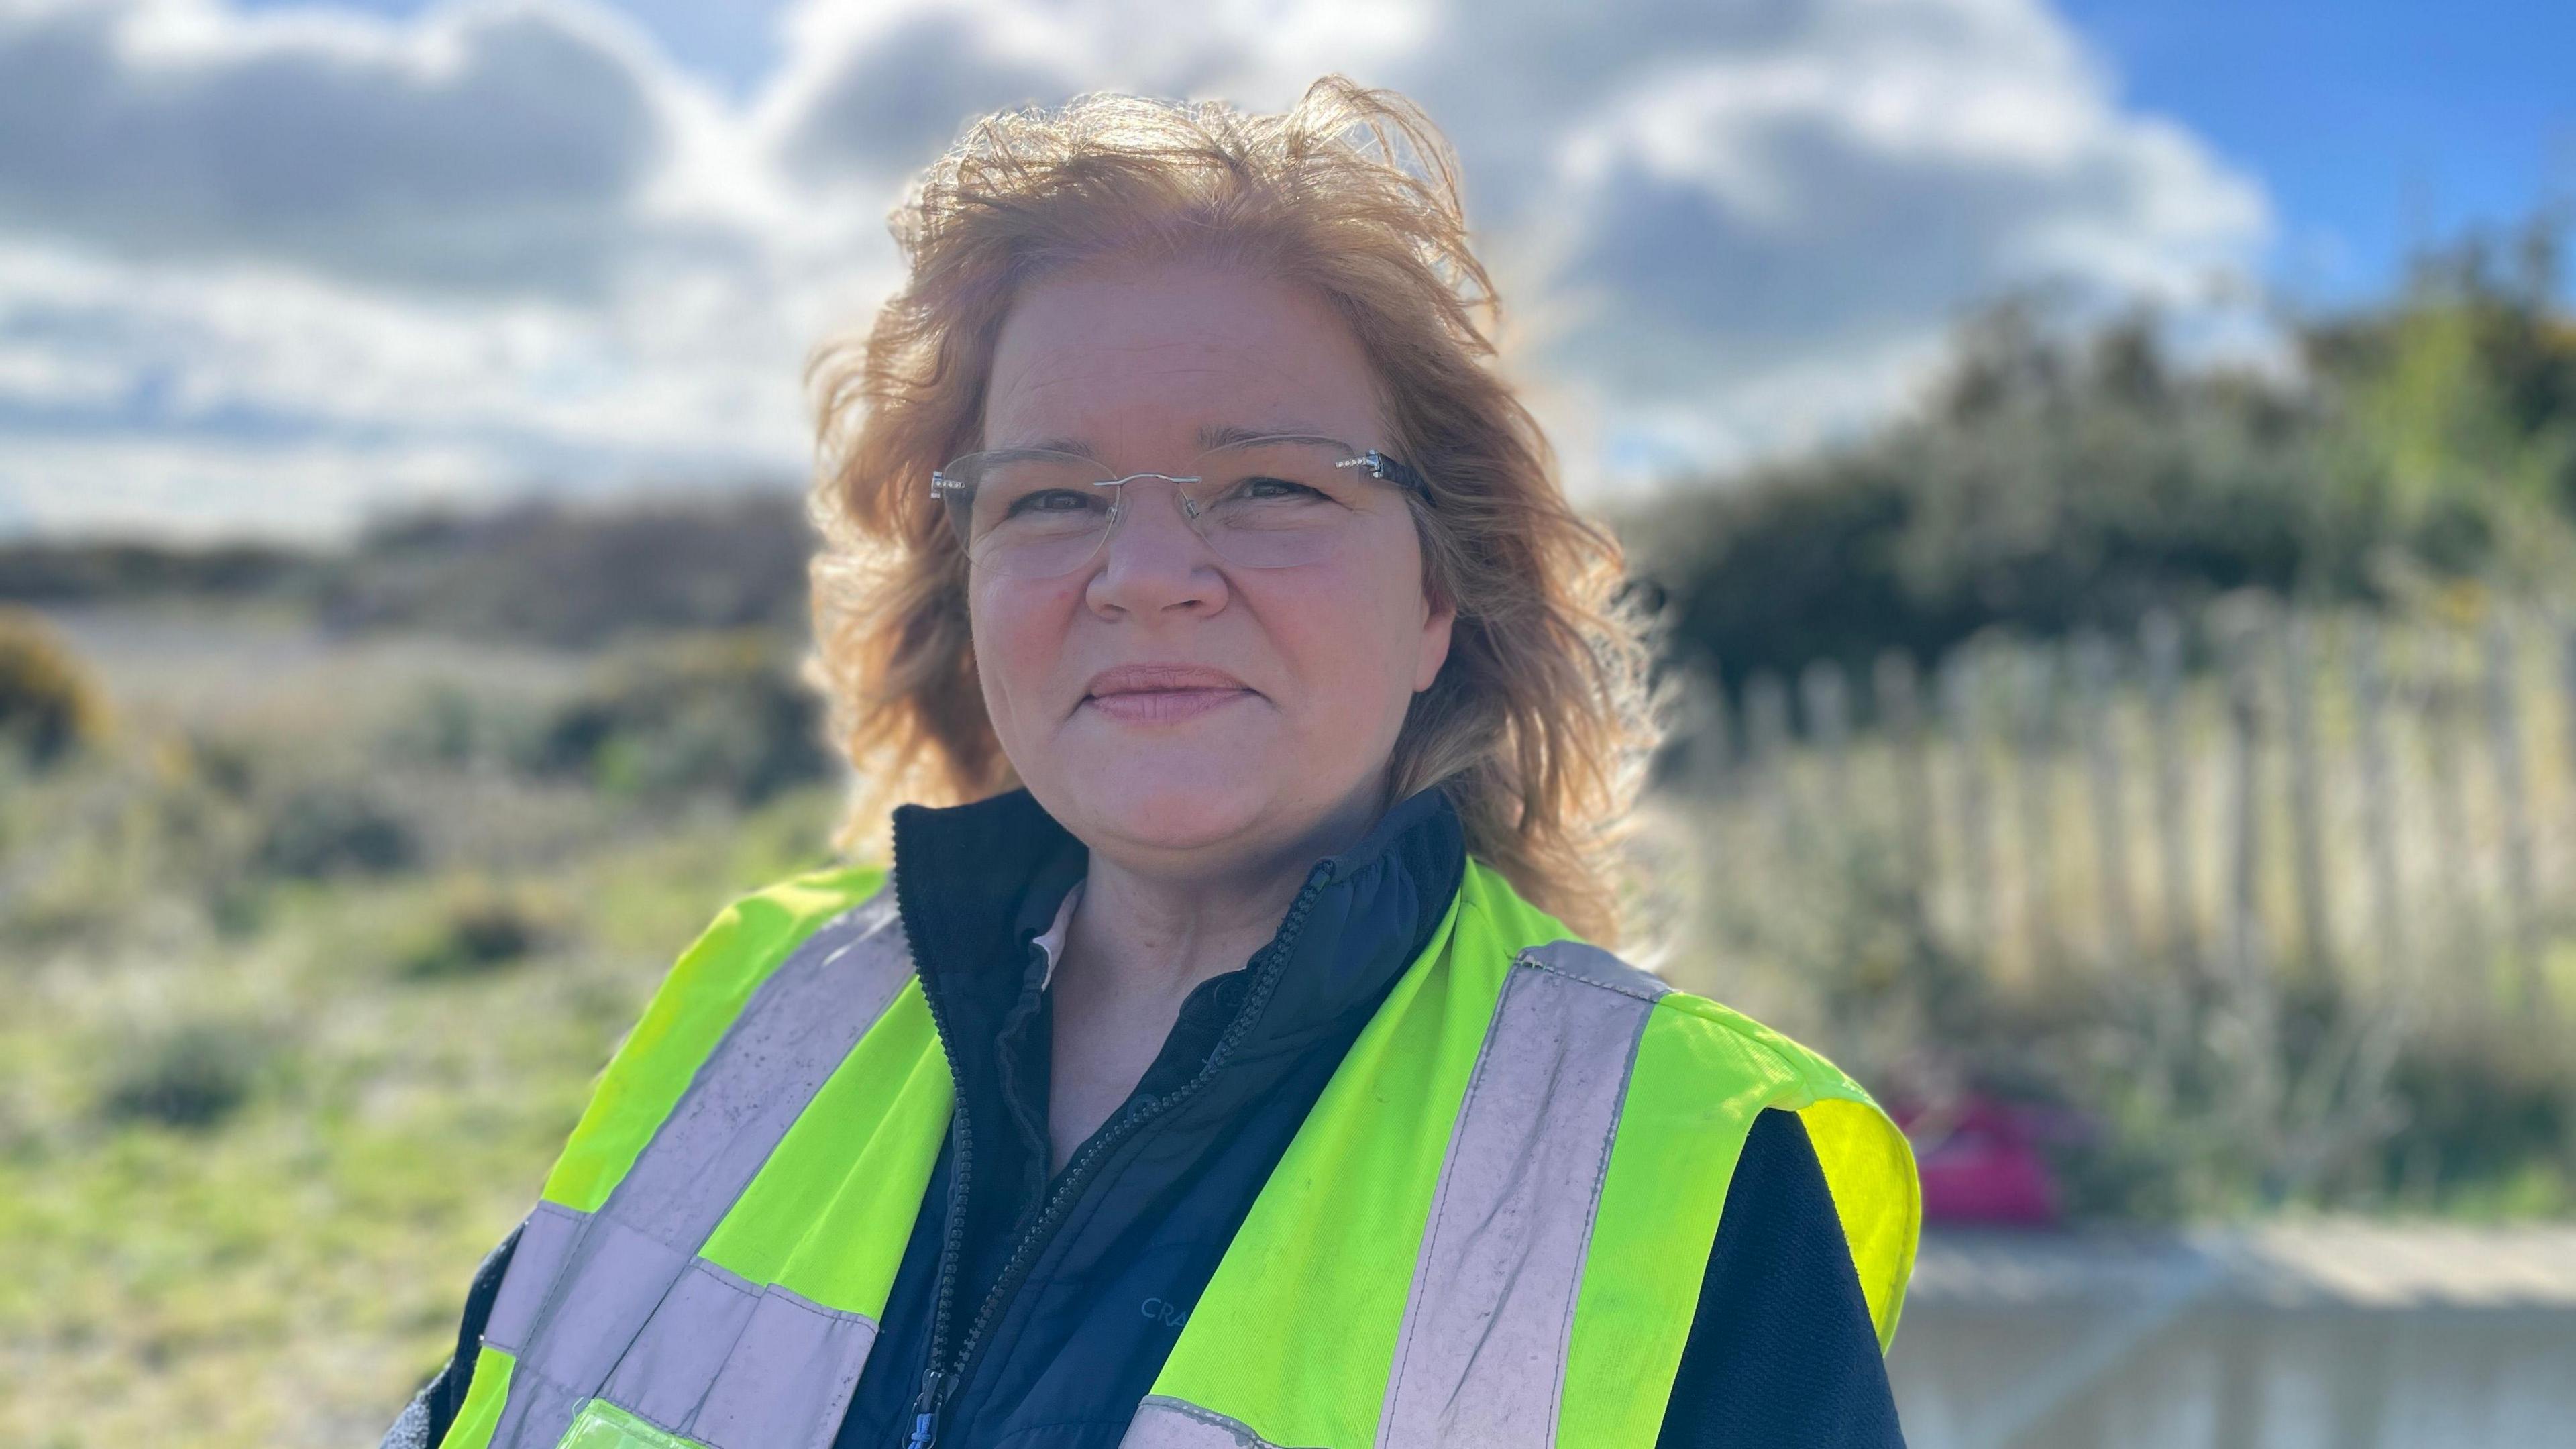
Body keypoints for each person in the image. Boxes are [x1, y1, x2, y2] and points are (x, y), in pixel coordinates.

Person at [382, 75, 1919, 1449]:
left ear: (1442, 592)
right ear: (968, 586)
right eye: (1050, 500)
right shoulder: (753, 1008)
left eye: (1267, 485)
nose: (1145, 572)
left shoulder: (1691, 1177)